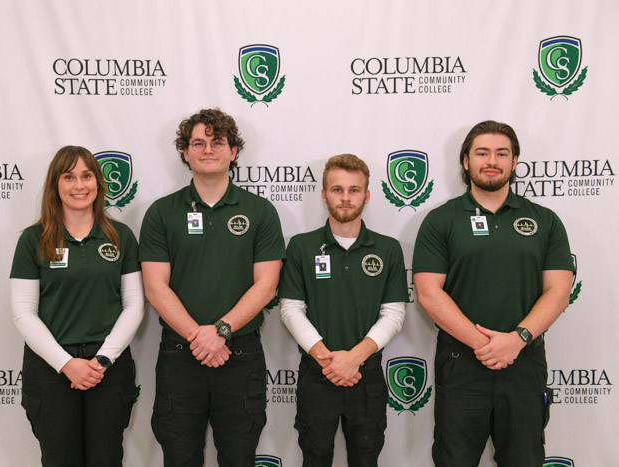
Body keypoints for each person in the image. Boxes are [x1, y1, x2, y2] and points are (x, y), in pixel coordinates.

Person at [412, 121, 575, 467]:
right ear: (466, 161)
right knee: (454, 460)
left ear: (515, 162)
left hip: (524, 363)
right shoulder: (441, 220)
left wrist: (516, 340)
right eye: (482, 153)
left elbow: (559, 291)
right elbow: (428, 292)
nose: (492, 161)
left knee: (524, 460)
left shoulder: (545, 221)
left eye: (502, 153)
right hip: (461, 365)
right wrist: (484, 345)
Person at [139, 108, 285, 467]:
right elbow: (156, 288)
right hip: (179, 356)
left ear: (233, 151)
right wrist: (198, 336)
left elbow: (266, 286)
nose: (208, 149)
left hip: (240, 355)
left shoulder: (260, 211)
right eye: (198, 143)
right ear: (185, 153)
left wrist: (220, 331)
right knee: (179, 457)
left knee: (238, 458)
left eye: (217, 142)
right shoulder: (161, 213)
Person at [10, 146, 144, 466]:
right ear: (55, 185)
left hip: (107, 369)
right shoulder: (33, 240)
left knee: (106, 459)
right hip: (51, 370)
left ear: (99, 183)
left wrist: (102, 359)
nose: (79, 185)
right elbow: (23, 312)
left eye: (86, 176)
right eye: (68, 177)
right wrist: (67, 363)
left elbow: (135, 305)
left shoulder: (121, 236)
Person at [279, 154, 408, 466]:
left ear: (367, 195)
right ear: (324, 195)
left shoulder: (388, 248)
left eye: (354, 190)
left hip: (367, 375)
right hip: (317, 372)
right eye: (337, 190)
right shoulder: (301, 246)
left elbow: (394, 314)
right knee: (315, 458)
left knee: (366, 460)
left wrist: (353, 359)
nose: (346, 198)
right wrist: (328, 360)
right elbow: (291, 309)